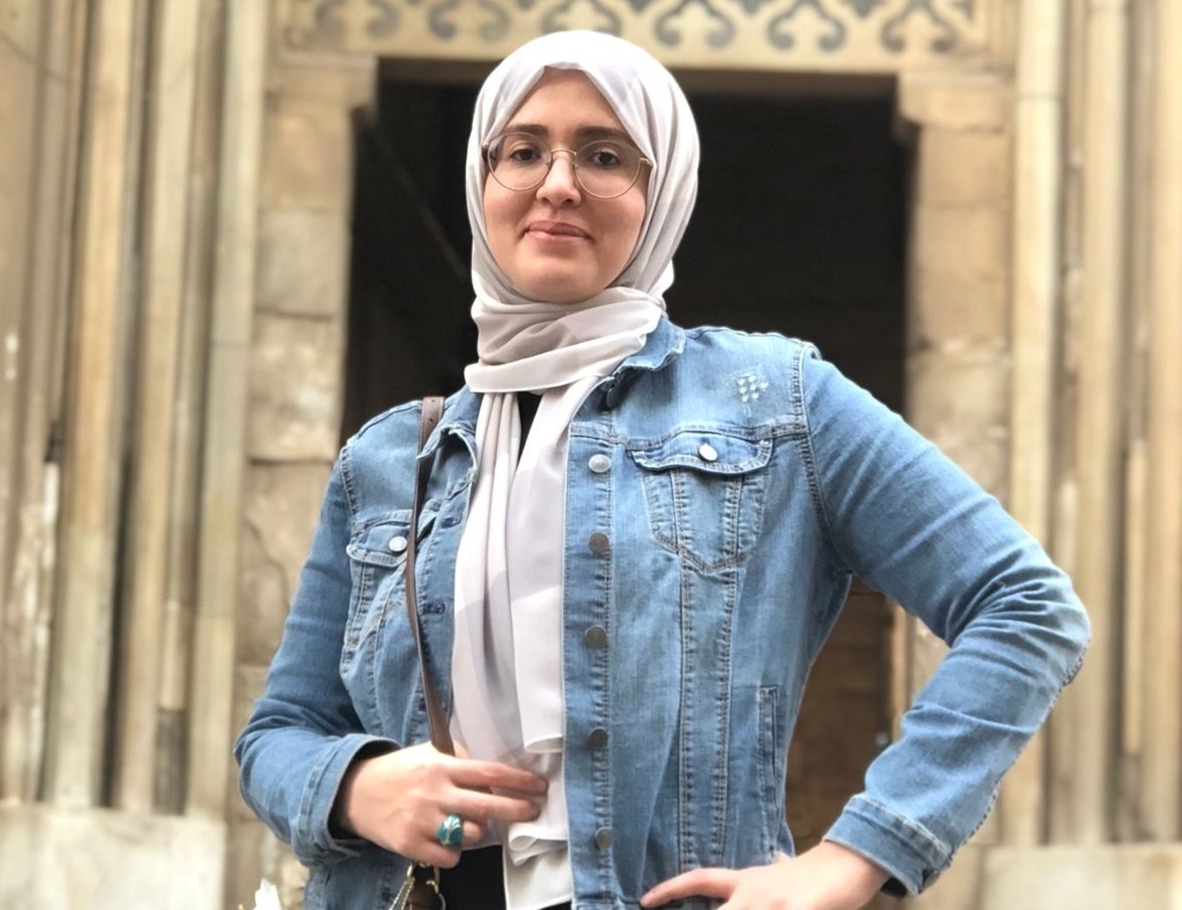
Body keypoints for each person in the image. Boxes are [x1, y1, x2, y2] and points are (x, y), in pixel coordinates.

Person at [235, 30, 1089, 910]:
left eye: (604, 156)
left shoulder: (777, 401)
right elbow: (280, 733)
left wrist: (858, 852)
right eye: (522, 151)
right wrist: (356, 785)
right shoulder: (387, 458)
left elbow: (1024, 606)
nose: (557, 183)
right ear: (480, 178)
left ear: (663, 189)